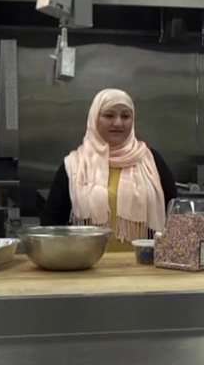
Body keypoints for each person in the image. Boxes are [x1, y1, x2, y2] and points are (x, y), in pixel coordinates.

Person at [40, 89, 177, 252]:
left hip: (143, 267)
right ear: (94, 118)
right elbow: (51, 221)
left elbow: (175, 213)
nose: (118, 123)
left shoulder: (151, 160)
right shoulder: (75, 164)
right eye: (109, 115)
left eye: (125, 116)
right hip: (88, 268)